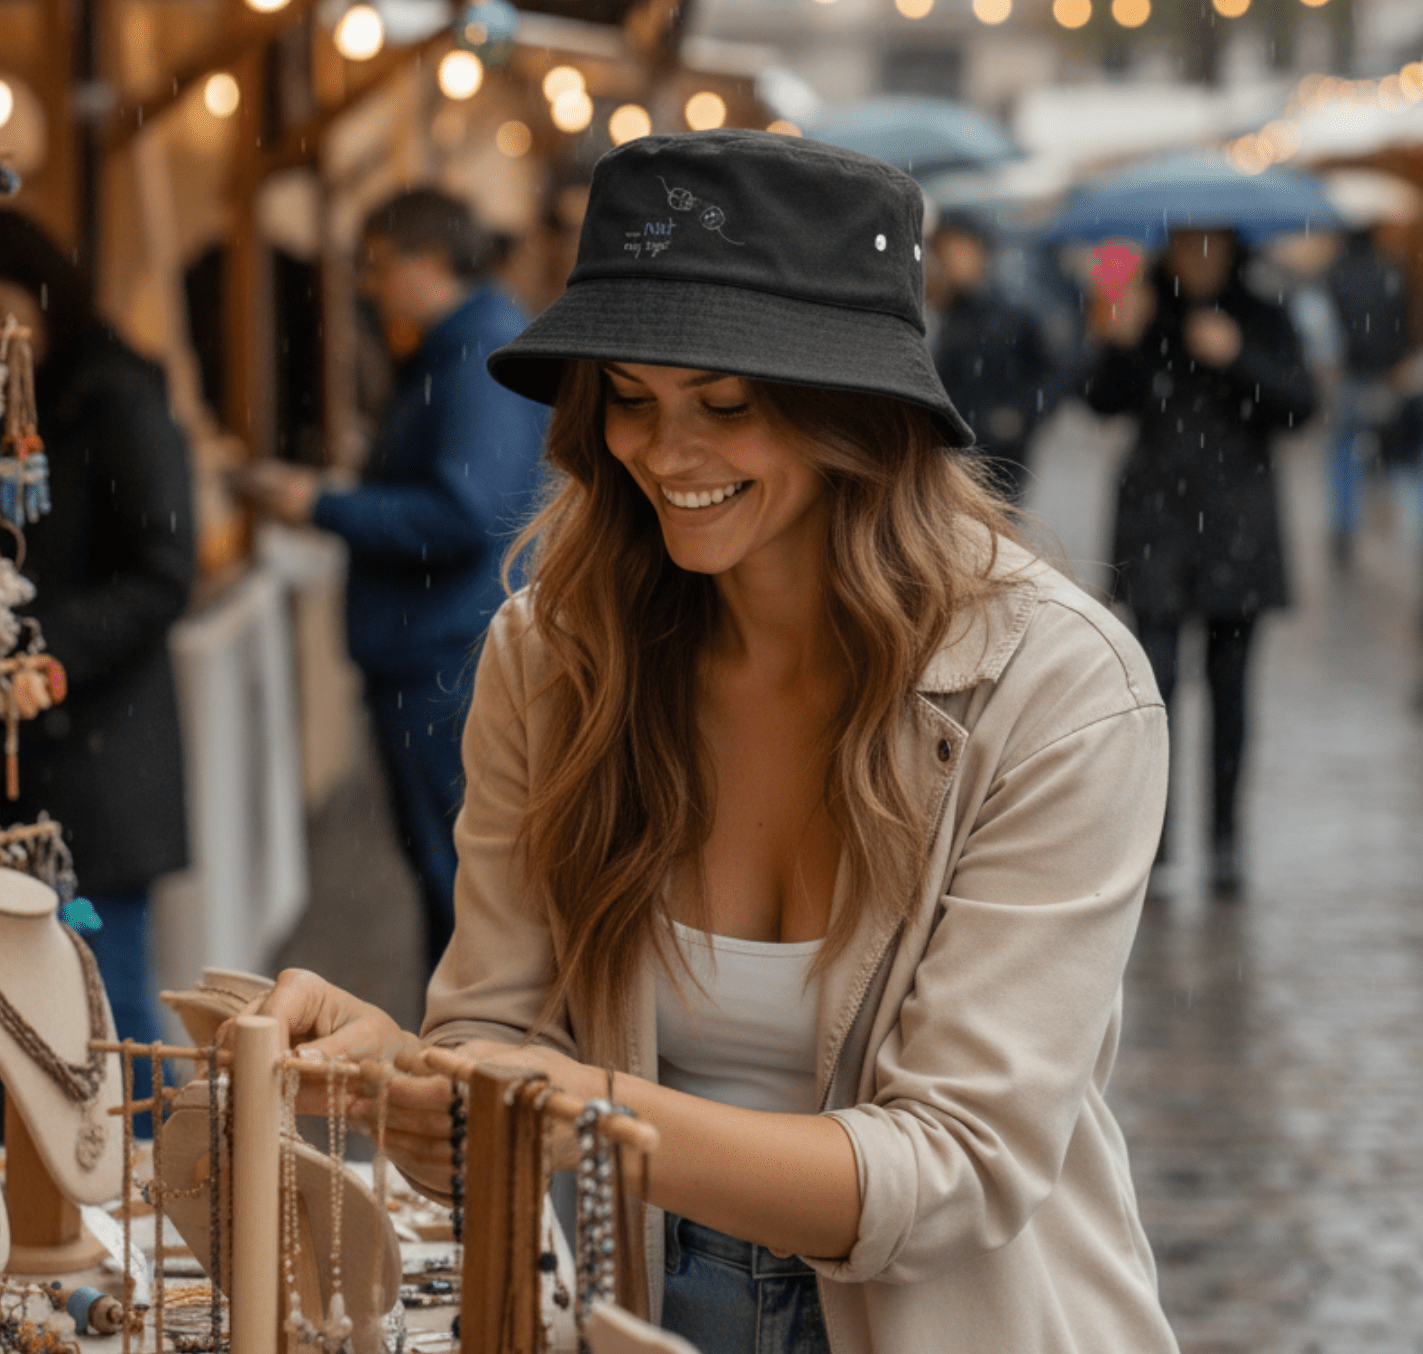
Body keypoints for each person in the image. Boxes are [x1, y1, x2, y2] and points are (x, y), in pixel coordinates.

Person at [249, 131, 1177, 1352]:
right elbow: (497, 1035)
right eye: (628, 399)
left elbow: (958, 1168)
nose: (664, 453)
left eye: (727, 405)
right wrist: (420, 1089)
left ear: (860, 414)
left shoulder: (1058, 688)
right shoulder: (554, 656)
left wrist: (584, 1114)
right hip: (646, 1311)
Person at [236, 188, 546, 976]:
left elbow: (463, 514)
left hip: (445, 654)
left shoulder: (476, 353)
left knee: (461, 885)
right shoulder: (464, 346)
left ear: (429, 262)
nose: (368, 286)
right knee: (454, 879)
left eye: (377, 266)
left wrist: (321, 503)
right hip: (441, 645)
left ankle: (464, 1045)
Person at [0, 209, 195, 1125]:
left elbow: (164, 572)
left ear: (43, 302)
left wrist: (21, 639)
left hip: (95, 764)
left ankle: (139, 1188)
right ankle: (16, 1191)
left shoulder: (114, 397)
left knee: (100, 1010)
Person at [1083, 227, 1316, 894]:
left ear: (1233, 246)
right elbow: (1098, 401)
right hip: (1157, 526)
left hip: (1237, 530)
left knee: (1231, 693)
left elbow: (1301, 407)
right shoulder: (1144, 305)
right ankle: (1154, 846)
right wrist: (1118, 340)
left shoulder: (1264, 314)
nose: (1200, 256)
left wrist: (1237, 356)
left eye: (1211, 243)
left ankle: (1225, 841)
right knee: (1152, 691)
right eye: (1188, 243)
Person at [927, 208, 1057, 503]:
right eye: (944, 252)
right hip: (945, 454)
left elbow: (1051, 374)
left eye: (960, 250)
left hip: (998, 457)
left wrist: (1019, 415)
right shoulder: (938, 312)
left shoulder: (1015, 314)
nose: (952, 261)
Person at [1323, 227, 1410, 567]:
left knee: (1346, 451)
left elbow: (1329, 329)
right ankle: (1408, 526)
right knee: (1396, 454)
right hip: (1387, 375)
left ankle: (1345, 523)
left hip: (1353, 374)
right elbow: (1403, 319)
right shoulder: (1390, 268)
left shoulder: (1336, 273)